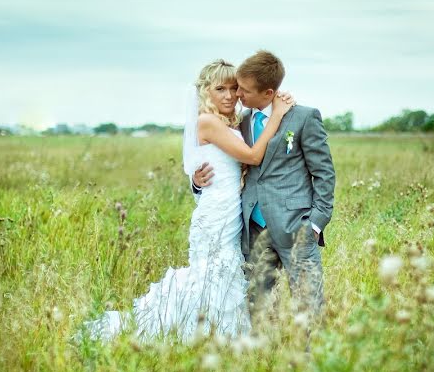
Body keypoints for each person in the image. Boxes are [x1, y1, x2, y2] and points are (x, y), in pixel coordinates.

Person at [80, 59, 293, 341]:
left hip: (232, 213)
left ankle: (215, 333)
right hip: (215, 214)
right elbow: (253, 156)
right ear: (206, 91)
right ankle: (190, 330)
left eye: (234, 88)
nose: (229, 96)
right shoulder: (207, 122)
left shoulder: (231, 123)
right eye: (220, 89)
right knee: (210, 273)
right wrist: (278, 114)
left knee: (224, 273)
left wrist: (197, 179)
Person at [192, 50, 335, 320]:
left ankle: (310, 358)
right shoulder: (240, 121)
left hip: (296, 226)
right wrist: (197, 182)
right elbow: (221, 161)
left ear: (269, 92)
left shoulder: (303, 117)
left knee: (309, 305)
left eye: (242, 90)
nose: (236, 96)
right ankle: (260, 355)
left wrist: (315, 223)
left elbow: (325, 173)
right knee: (254, 306)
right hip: (252, 228)